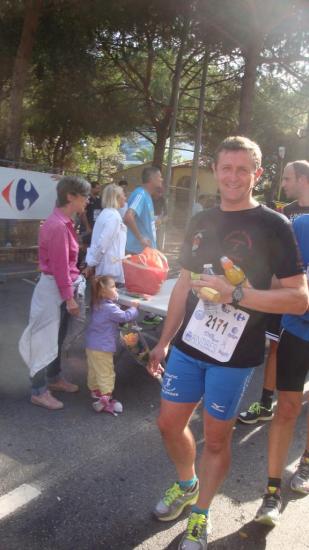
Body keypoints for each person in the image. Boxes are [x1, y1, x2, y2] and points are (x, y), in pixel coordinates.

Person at [148, 136, 308, 550]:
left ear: (257, 174)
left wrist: (236, 294)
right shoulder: (202, 219)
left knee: (216, 439)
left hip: (234, 355)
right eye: (226, 168)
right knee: (168, 424)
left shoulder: (276, 225)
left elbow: (298, 296)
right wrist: (163, 342)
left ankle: (200, 513)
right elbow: (184, 283)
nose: (233, 177)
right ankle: (187, 484)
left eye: (243, 169)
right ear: (216, 171)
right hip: (188, 345)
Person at [239, 160, 309, 424]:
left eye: (288, 179)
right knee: (276, 348)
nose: (283, 184)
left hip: (302, 300)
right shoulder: (286, 212)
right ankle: (266, 403)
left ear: (303, 179)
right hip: (281, 296)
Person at [255, 211, 309, 526]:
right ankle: (271, 492)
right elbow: (273, 277)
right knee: (286, 409)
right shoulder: (301, 226)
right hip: (298, 332)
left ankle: (305, 464)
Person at [19, 176, 91, 410]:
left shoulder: (63, 222)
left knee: (56, 338)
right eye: (85, 196)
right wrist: (69, 298)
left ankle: (54, 378)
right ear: (71, 196)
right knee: (44, 340)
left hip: (58, 288)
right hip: (54, 289)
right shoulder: (59, 225)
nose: (88, 201)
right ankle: (38, 391)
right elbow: (60, 267)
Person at [85, 275, 139, 415]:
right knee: (107, 373)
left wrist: (115, 300)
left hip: (91, 345)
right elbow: (124, 317)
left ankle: (95, 390)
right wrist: (133, 308)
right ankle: (106, 398)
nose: (116, 289)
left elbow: (112, 311)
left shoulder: (97, 303)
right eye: (113, 287)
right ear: (103, 292)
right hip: (103, 347)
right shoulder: (110, 308)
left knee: (94, 369)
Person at [85, 184, 127, 285]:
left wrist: (92, 263)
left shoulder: (106, 213)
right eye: (123, 195)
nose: (125, 198)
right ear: (116, 197)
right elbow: (103, 244)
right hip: (109, 270)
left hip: (106, 267)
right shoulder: (113, 217)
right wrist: (91, 264)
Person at [124, 166, 163, 254]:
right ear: (151, 179)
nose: (162, 179)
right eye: (159, 177)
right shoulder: (141, 194)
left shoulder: (147, 195)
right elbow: (128, 217)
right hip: (136, 251)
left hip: (145, 251)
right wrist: (141, 238)